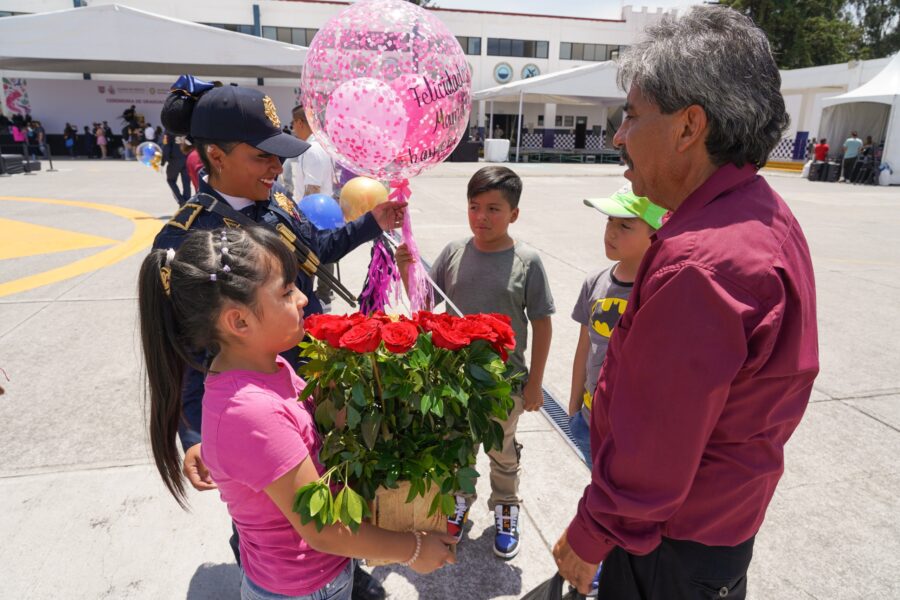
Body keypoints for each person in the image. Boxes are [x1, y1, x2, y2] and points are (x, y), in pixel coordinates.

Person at [552, 7, 818, 598]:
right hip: (717, 532)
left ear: (688, 126)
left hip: (666, 547)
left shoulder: (703, 263)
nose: (619, 136)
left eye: (631, 116)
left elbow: (658, 444)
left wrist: (592, 532)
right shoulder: (756, 210)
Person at [152, 76, 405, 600]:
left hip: (303, 384)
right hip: (247, 406)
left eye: (279, 155)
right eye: (262, 156)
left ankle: (336, 569)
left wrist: (372, 224)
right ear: (216, 156)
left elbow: (318, 249)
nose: (276, 167)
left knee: (323, 490)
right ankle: (271, 579)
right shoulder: (187, 240)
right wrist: (193, 435)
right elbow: (182, 352)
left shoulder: (279, 207)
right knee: (263, 511)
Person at [138, 226, 456, 600]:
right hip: (302, 587)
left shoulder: (269, 367)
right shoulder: (250, 413)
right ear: (239, 322)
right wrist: (413, 549)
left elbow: (311, 429)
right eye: (287, 291)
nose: (304, 299)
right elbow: (322, 528)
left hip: (319, 571)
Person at [396, 165, 555, 560]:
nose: (482, 217)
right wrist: (404, 269)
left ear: (514, 214)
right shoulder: (453, 253)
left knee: (502, 451)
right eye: (474, 206)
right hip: (455, 383)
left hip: (505, 385)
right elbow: (424, 305)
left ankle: (505, 508)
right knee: (459, 448)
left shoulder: (527, 261)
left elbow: (542, 324)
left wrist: (534, 384)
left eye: (494, 209)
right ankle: (459, 500)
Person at [568, 185, 664, 468]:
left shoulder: (658, 291)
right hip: (588, 420)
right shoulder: (595, 282)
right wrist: (574, 404)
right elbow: (584, 347)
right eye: (609, 220)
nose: (611, 232)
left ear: (655, 233)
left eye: (625, 225)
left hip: (633, 433)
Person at [285, 104, 338, 310]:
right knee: (323, 254)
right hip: (322, 211)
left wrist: (301, 220)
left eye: (294, 125)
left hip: (314, 213)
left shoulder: (312, 149)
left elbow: (312, 190)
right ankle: (324, 294)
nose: (294, 129)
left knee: (315, 257)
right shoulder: (321, 146)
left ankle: (322, 296)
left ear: (300, 123)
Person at [161, 133, 191, 205]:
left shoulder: (169, 131)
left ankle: (181, 201)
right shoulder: (186, 129)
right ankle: (187, 202)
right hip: (187, 158)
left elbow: (166, 148)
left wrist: (163, 162)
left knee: (170, 180)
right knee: (186, 182)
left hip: (174, 160)